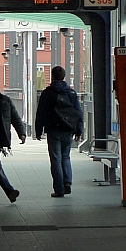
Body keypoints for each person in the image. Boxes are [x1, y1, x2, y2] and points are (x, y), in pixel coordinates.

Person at [35, 65, 84, 197]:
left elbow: (41, 113)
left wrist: (38, 130)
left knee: (56, 159)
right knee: (65, 156)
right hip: (68, 129)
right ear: (64, 77)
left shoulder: (47, 93)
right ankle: (67, 182)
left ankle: (59, 189)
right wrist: (79, 131)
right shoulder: (71, 93)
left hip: (53, 130)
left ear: (52, 76)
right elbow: (79, 113)